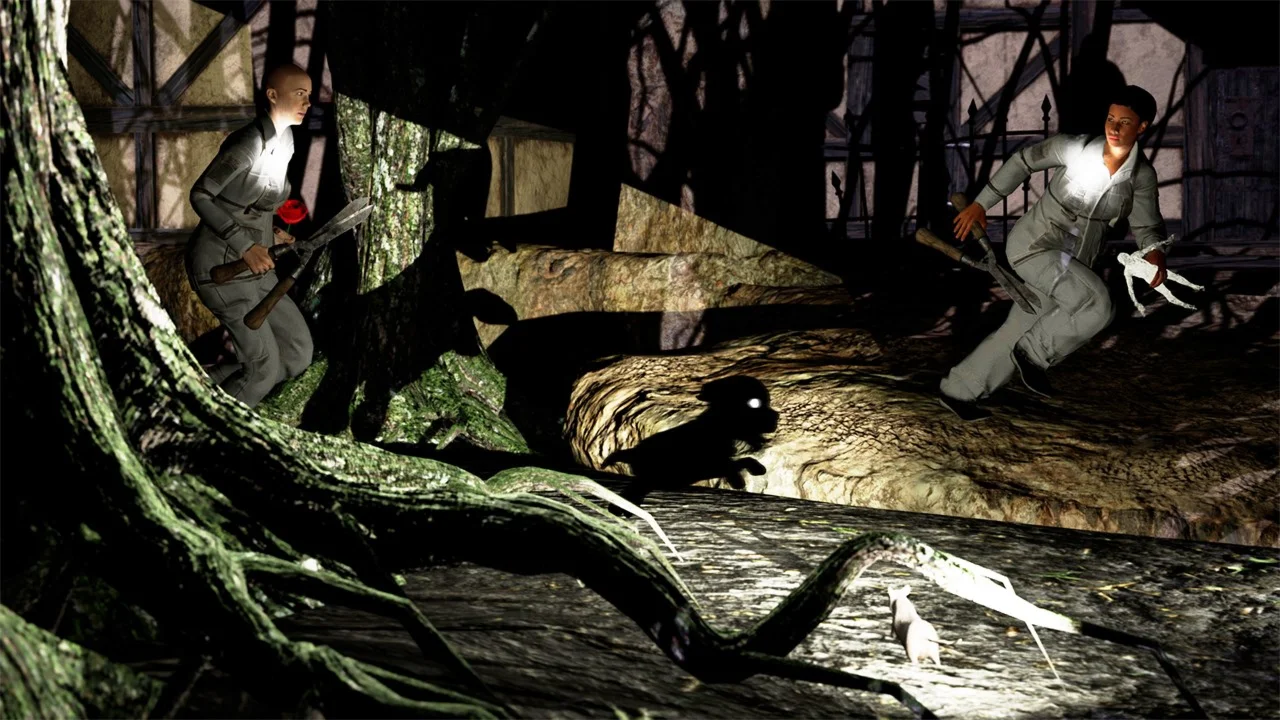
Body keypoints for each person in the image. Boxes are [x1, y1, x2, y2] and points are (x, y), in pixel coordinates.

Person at [940, 85, 1169, 420]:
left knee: (1021, 325)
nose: (1114, 128)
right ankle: (1033, 354)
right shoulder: (1075, 148)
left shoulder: (1141, 176)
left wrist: (1155, 253)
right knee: (1097, 305)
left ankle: (959, 391)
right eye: (1111, 118)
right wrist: (981, 203)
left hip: (1074, 264)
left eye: (1125, 122)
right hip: (1036, 247)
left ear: (1142, 126)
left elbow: (1147, 225)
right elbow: (1022, 161)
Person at [185, 64, 315, 408]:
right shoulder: (248, 144)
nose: (307, 103)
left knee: (298, 353)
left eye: (308, 95)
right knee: (261, 370)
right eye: (299, 94)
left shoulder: (286, 142)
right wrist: (245, 246)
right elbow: (201, 195)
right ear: (272, 95)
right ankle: (210, 428)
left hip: (260, 268)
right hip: (222, 266)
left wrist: (272, 233)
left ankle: (197, 390)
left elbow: (256, 205)